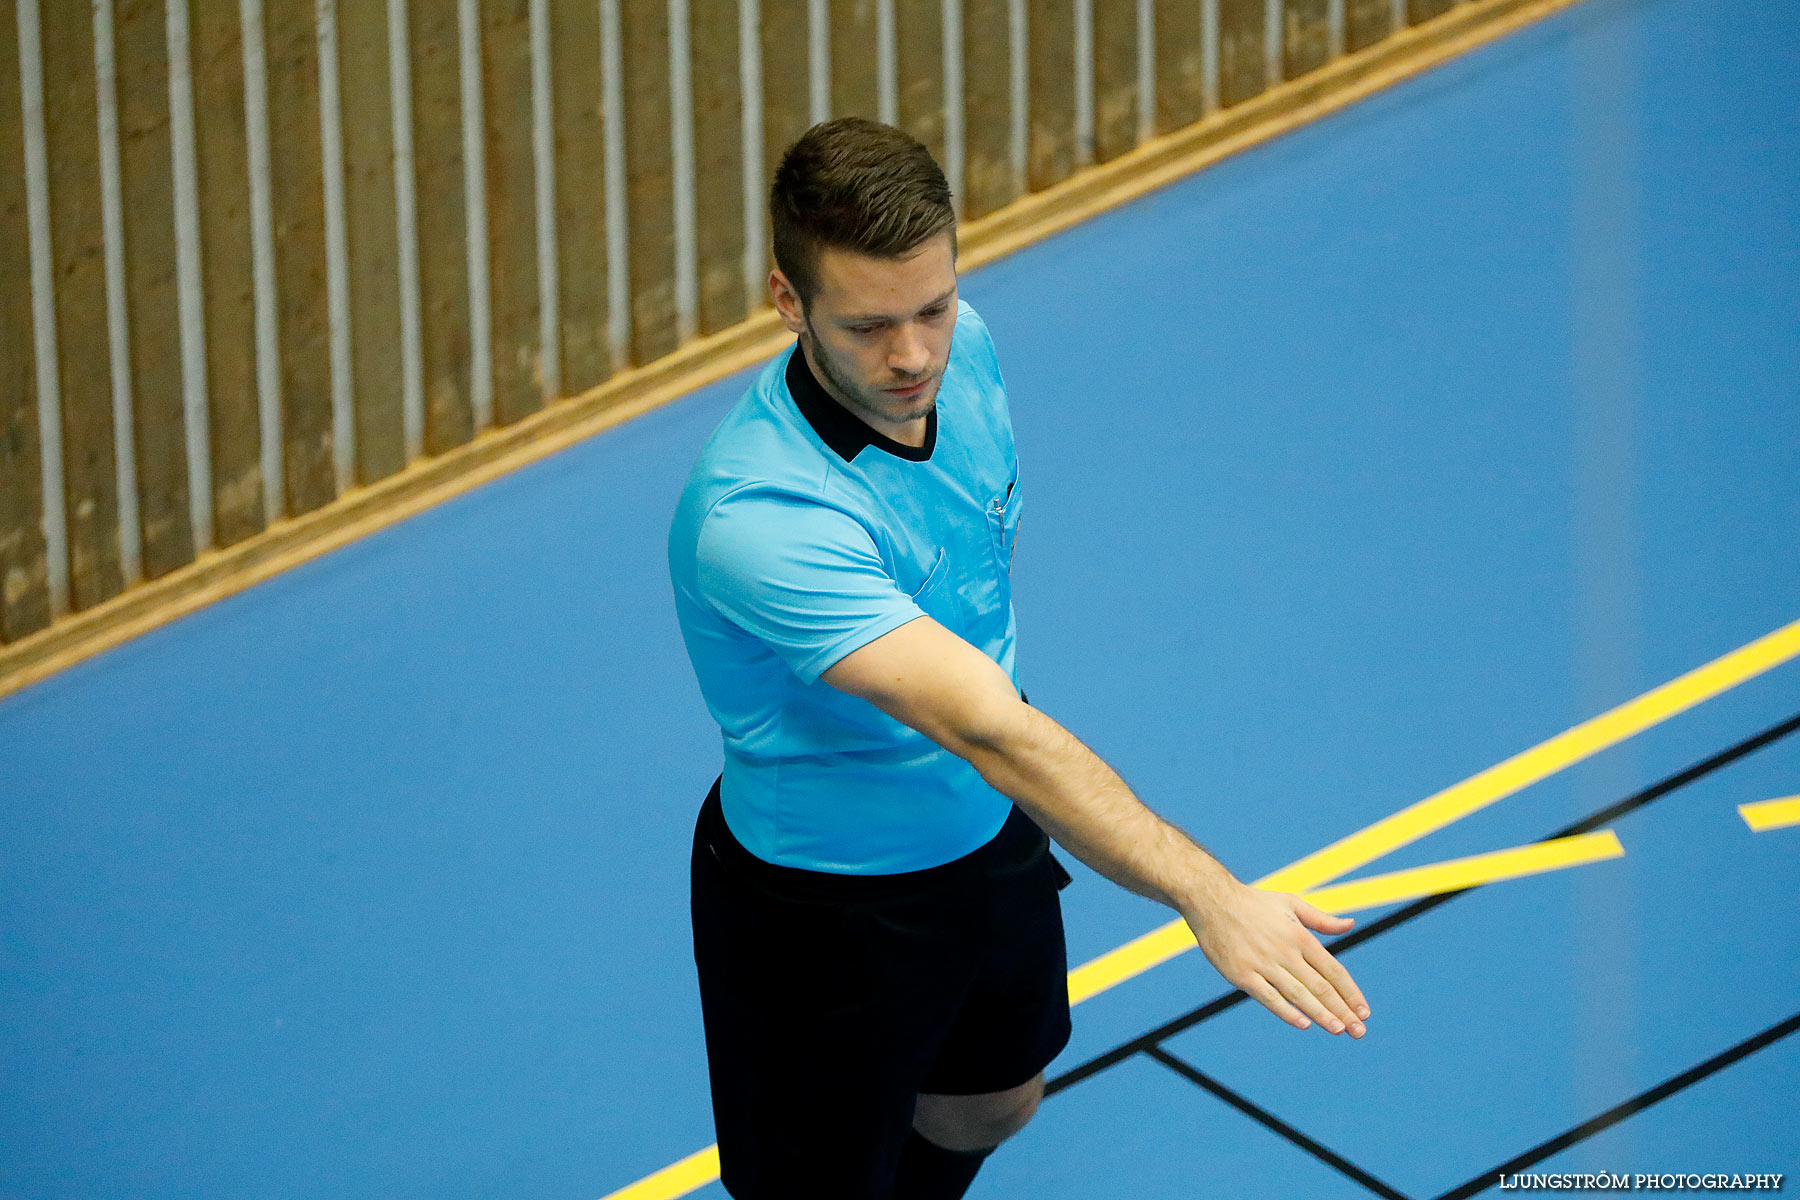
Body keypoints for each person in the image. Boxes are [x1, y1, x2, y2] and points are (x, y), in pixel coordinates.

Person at [667, 117, 1369, 1200]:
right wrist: (1207, 894)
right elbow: (985, 724)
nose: (912, 357)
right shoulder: (760, 515)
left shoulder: (969, 353)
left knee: (997, 1093)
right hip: (829, 910)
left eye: (932, 308)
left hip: (984, 830)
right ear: (787, 302)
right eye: (867, 326)